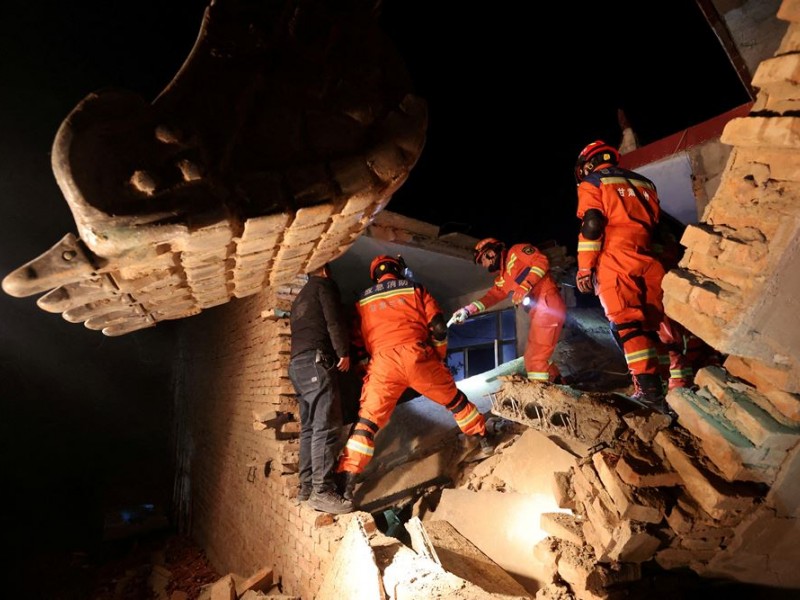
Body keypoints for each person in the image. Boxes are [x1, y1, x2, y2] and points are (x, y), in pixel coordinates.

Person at [335, 254, 492, 502]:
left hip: (383, 364)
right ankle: (484, 441)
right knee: (456, 402)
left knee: (367, 424)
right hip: (418, 357)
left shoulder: (362, 300)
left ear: (374, 274)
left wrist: (366, 369)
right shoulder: (416, 289)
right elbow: (439, 327)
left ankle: (346, 483)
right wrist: (437, 356)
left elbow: (356, 344)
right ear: (398, 270)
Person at [573, 139, 670, 410]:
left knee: (626, 324)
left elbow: (592, 224)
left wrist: (584, 268)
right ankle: (666, 386)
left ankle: (649, 392)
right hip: (649, 256)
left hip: (616, 257)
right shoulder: (645, 183)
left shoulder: (593, 182)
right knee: (652, 326)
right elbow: (659, 227)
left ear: (589, 163)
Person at [450, 238, 567, 384]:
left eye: (483, 260)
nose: (484, 265)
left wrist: (525, 285)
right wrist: (468, 310)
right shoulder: (503, 278)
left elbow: (541, 261)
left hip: (548, 304)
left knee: (536, 359)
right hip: (540, 311)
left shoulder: (517, 251)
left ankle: (542, 398)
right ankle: (558, 385)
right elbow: (491, 297)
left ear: (491, 252)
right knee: (532, 356)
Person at [288, 263, 353, 515]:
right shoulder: (323, 286)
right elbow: (333, 321)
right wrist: (343, 352)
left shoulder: (299, 298)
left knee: (309, 429)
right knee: (325, 427)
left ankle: (305, 488)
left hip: (297, 367)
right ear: (325, 270)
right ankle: (322, 491)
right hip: (316, 363)